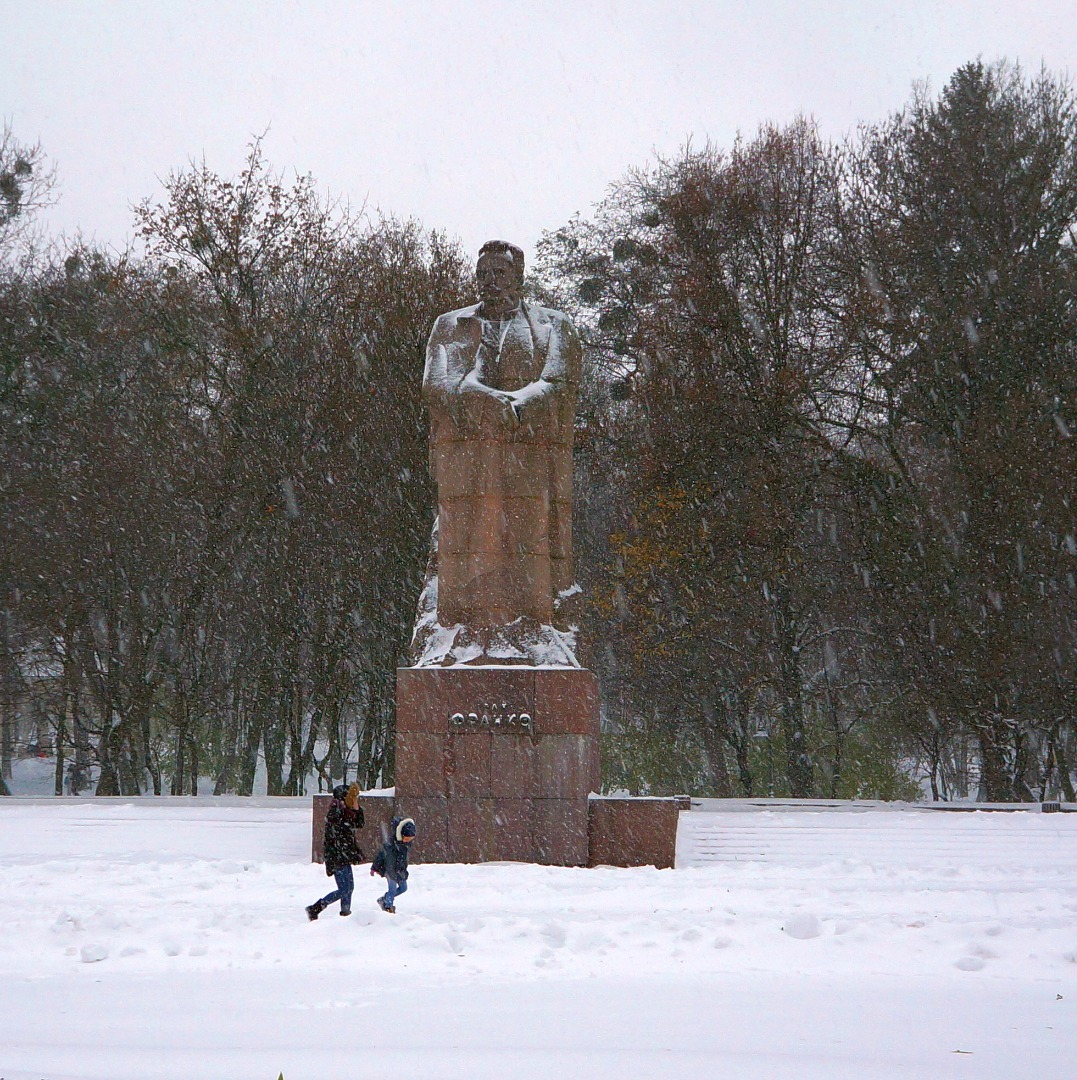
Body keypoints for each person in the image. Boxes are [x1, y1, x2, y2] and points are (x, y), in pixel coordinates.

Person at [411, 240, 583, 664]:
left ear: (518, 277)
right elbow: (436, 383)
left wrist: (520, 403)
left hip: (530, 455)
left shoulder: (553, 325)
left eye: (499, 273)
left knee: (529, 539)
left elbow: (560, 380)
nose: (490, 281)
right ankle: (466, 629)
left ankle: (532, 627)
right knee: (470, 540)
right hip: (469, 456)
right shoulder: (450, 325)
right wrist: (481, 398)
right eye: (483, 273)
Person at [306, 783, 364, 920]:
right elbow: (338, 835)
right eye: (350, 797)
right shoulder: (336, 812)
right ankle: (316, 908)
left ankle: (345, 913)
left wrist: (357, 808)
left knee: (349, 888)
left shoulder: (347, 811)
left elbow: (359, 823)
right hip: (337, 857)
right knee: (345, 889)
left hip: (344, 856)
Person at [370, 816, 416, 913]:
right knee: (392, 889)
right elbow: (381, 855)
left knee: (403, 888)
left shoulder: (405, 846)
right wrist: (374, 867)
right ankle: (388, 907)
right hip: (390, 870)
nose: (408, 840)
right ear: (401, 835)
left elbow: (403, 861)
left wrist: (403, 870)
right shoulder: (390, 845)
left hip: (399, 870)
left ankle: (384, 899)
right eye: (407, 838)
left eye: (410, 839)